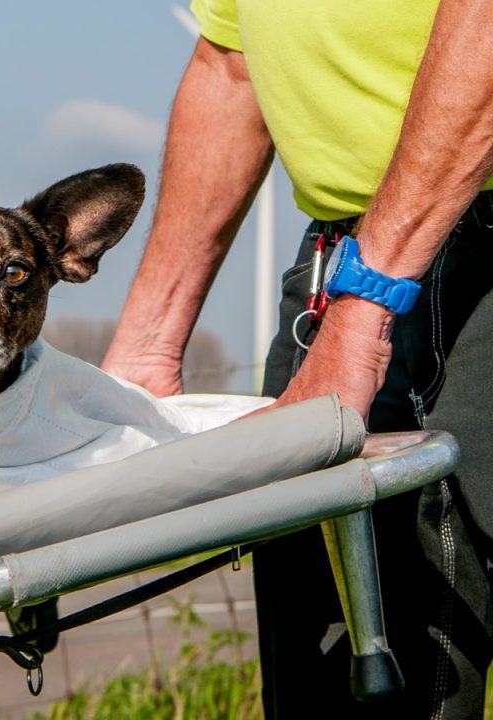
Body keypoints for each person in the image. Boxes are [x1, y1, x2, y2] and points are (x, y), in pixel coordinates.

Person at [102, 0, 493, 717]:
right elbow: (231, 65)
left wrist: (367, 302)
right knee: (333, 672)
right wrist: (146, 349)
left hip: (417, 269)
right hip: (339, 267)